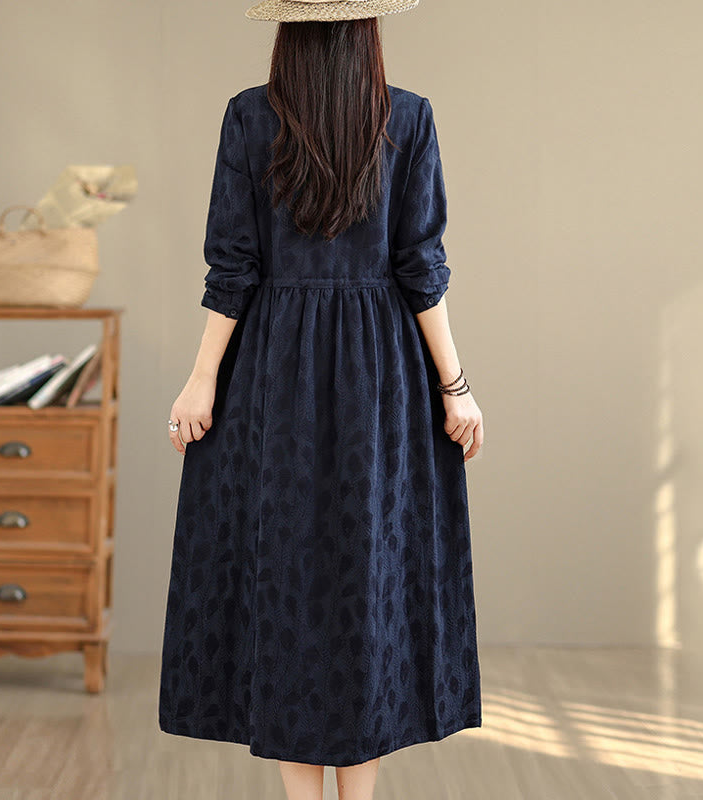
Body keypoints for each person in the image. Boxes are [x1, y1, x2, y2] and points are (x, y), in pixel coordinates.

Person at [158, 1, 484, 798]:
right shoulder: (408, 117)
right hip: (382, 374)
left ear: (288, 32)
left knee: (287, 581)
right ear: (368, 29)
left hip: (273, 371)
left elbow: (232, 266)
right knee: (367, 580)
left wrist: (203, 378)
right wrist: (455, 387)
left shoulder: (248, 117)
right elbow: (421, 265)